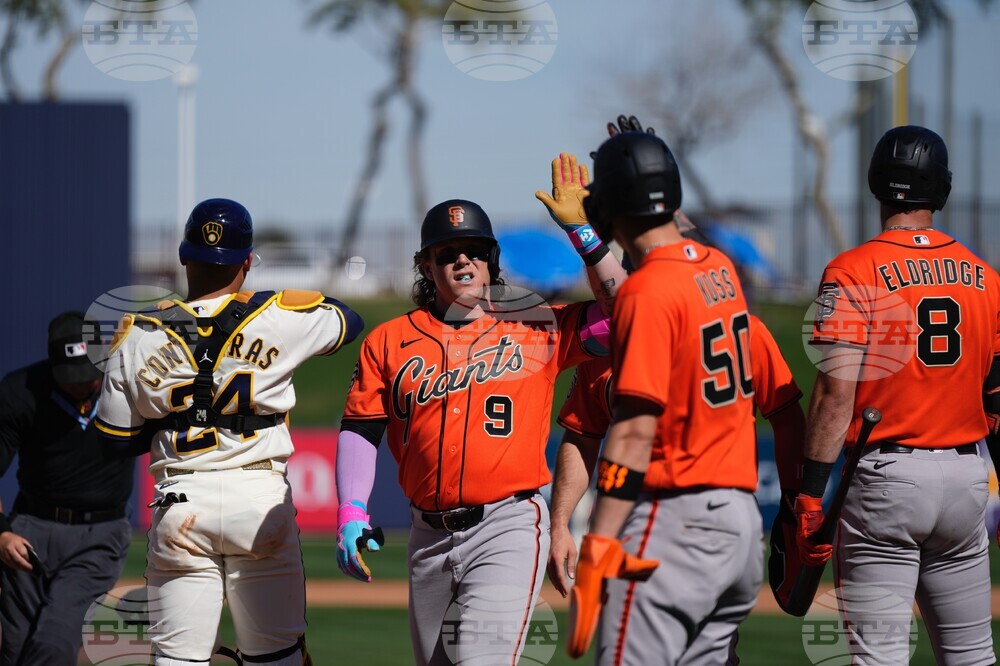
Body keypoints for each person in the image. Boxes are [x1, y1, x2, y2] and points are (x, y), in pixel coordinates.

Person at [334, 182, 627, 664]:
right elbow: (362, 427)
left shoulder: (538, 325)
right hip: (426, 537)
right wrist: (350, 509)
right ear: (426, 266)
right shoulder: (388, 341)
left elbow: (625, 313)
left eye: (475, 251)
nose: (462, 261)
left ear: (491, 262)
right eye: (447, 252)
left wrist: (582, 233)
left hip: (506, 526)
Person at [95, 198, 364, 666]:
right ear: (246, 261)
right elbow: (348, 320)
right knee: (276, 658)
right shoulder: (278, 316)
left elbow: (114, 440)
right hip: (259, 501)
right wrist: (265, 310)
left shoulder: (138, 332)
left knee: (177, 660)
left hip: (181, 502)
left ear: (184, 257)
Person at [796, 126, 1000, 664]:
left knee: (879, 658)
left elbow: (836, 395)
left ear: (876, 184)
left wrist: (810, 493)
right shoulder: (986, 278)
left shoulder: (852, 270)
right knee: (973, 657)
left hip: (886, 478)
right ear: (943, 187)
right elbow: (997, 397)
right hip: (967, 480)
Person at [565, 125, 765, 664]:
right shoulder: (720, 268)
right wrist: (647, 161)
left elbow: (632, 432)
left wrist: (599, 544)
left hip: (677, 522)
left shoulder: (645, 291)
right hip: (742, 526)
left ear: (609, 206)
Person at [0, 311, 135, 665]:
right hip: (29, 532)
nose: (80, 384)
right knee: (15, 651)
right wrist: (1, 534)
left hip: (100, 536)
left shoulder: (127, 386)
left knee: (54, 641)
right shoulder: (20, 391)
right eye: (70, 376)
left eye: (88, 374)